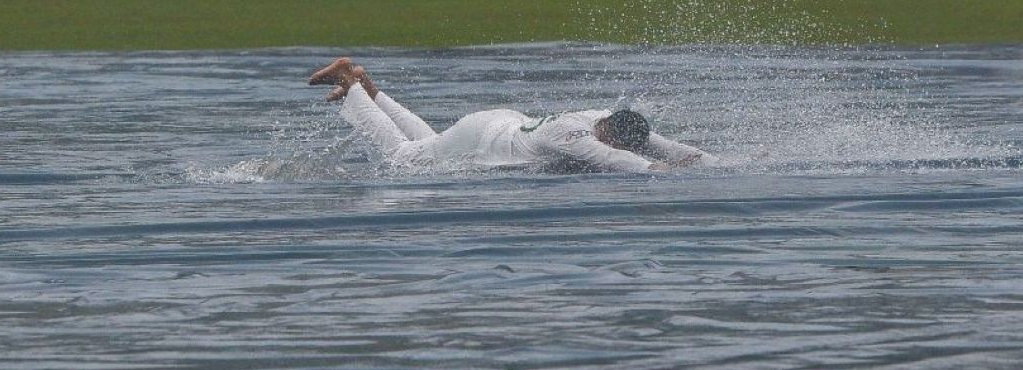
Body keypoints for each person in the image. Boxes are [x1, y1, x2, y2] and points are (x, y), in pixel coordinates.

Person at [308, 57, 718, 173]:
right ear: (607, 135)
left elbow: (651, 140)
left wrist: (705, 160)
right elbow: (622, 159)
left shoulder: (600, 116)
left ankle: (370, 88)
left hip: (495, 123)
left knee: (426, 145)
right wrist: (659, 169)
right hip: (485, 139)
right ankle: (353, 87)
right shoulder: (574, 139)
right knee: (405, 158)